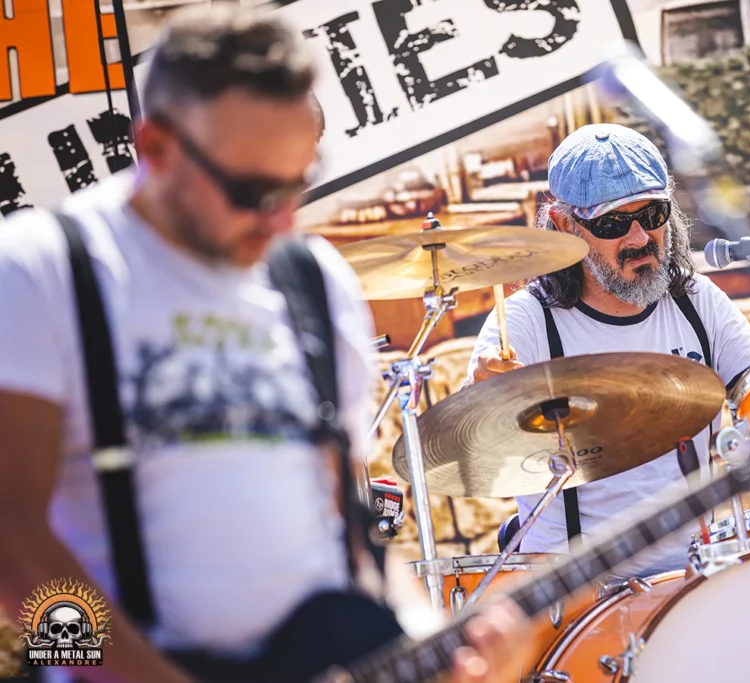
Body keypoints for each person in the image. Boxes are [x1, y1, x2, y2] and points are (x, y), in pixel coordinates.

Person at [0, 5, 527, 683]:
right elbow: (11, 544)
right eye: (252, 191)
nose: (281, 218)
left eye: (297, 184)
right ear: (156, 149)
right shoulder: (41, 268)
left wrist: (427, 643)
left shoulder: (313, 279)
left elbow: (349, 529)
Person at [465, 123, 750, 576]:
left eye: (651, 215)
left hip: (696, 573)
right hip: (579, 593)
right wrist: (487, 400)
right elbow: (471, 440)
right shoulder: (525, 323)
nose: (640, 239)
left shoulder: (698, 302)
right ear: (566, 226)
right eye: (612, 222)